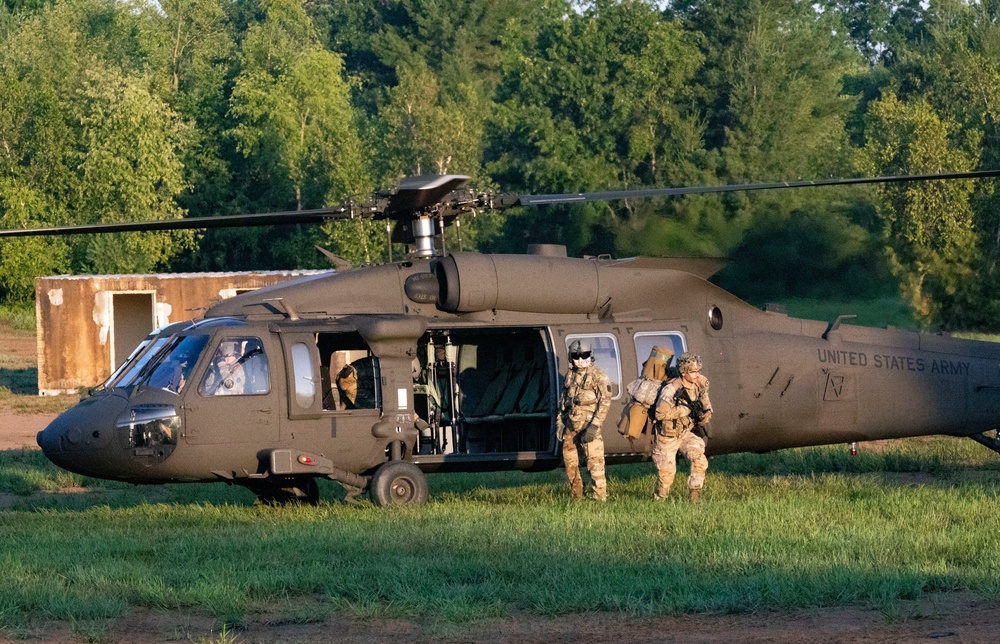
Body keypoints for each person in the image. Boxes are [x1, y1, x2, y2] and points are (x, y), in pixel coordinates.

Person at [652, 352, 713, 502]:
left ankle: (695, 497)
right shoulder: (671, 390)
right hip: (667, 436)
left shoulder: (700, 383)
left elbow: (705, 399)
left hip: (685, 433)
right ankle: (659, 501)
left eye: (698, 371)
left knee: (700, 459)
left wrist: (707, 412)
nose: (697, 375)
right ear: (684, 372)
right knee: (666, 476)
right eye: (693, 372)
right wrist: (681, 411)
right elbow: (659, 414)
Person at [559, 339, 612, 501]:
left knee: (595, 463)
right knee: (570, 464)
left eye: (585, 355)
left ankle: (600, 497)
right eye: (576, 356)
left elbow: (605, 403)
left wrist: (594, 427)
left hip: (589, 426)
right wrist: (560, 423)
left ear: (591, 356)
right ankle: (577, 496)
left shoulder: (599, 376)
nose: (580, 360)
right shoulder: (570, 375)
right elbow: (563, 402)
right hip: (571, 426)